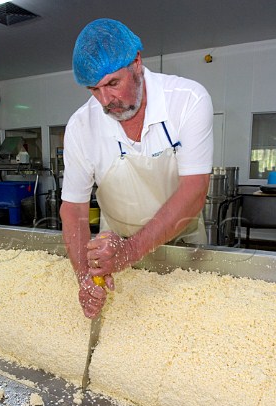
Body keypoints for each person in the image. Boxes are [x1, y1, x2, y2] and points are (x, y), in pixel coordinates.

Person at [60, 18, 213, 319]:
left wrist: (129, 252)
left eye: (113, 84)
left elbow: (194, 191)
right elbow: (73, 209)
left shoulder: (188, 100)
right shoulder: (81, 126)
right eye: (94, 90)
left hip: (182, 241)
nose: (106, 101)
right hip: (112, 249)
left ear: (137, 62)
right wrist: (84, 277)